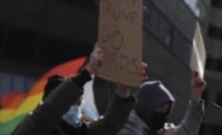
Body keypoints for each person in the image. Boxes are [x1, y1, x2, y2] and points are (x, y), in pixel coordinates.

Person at [14, 44, 143, 135]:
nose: (76, 108)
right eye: (72, 103)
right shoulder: (34, 127)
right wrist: (86, 74)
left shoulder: (82, 131)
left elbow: (109, 125)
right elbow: (49, 111)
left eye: (79, 103)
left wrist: (123, 92)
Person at [118, 72, 206, 135]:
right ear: (147, 105)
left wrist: (196, 95)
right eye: (160, 108)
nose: (162, 114)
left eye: (166, 110)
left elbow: (187, 131)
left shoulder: (154, 128)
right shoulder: (127, 125)